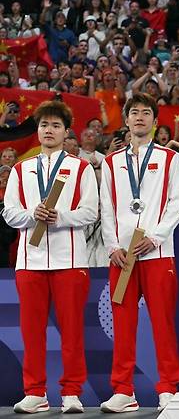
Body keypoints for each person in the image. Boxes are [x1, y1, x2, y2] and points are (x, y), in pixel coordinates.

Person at [2, 100, 98, 414]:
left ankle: (71, 392)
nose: (49, 130)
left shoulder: (80, 168)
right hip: (29, 262)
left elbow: (90, 212)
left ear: (66, 132)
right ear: (38, 129)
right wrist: (33, 214)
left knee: (71, 331)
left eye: (56, 125)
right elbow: (9, 212)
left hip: (69, 260)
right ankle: (35, 392)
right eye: (44, 125)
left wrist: (60, 216)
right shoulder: (21, 169)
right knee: (32, 331)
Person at [99, 93, 179, 413]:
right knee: (123, 325)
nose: (139, 117)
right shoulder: (111, 163)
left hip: (157, 253)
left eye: (146, 113)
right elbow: (106, 208)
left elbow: (176, 203)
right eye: (134, 112)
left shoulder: (168, 159)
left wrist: (157, 237)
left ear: (154, 120)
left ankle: (167, 388)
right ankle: (124, 390)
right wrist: (112, 247)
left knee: (162, 323)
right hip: (122, 256)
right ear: (126, 119)